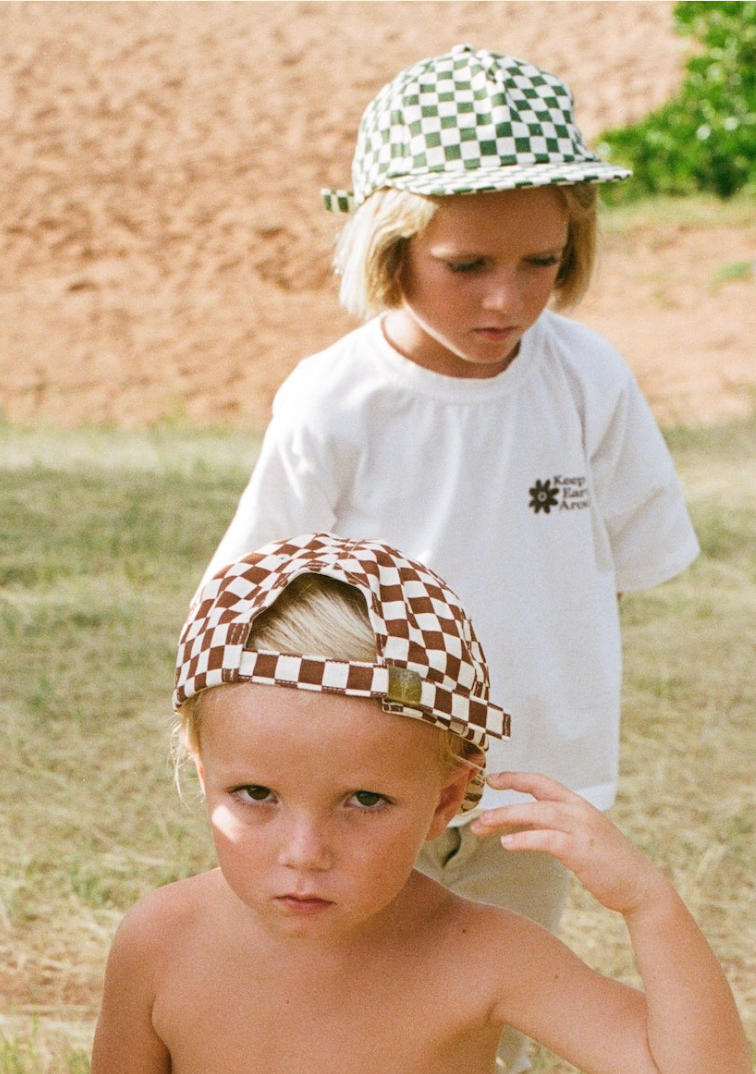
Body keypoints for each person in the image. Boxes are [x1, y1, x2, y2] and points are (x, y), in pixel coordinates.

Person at [204, 47, 700, 1072]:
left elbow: (624, 563)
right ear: (392, 246)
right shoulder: (336, 401)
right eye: (467, 265)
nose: (507, 300)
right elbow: (250, 601)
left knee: (488, 1021)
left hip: (528, 789)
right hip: (362, 787)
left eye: (542, 263)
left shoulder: (589, 381)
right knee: (336, 1007)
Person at [92, 534, 747, 1074]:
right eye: (255, 795)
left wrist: (647, 904)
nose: (304, 853)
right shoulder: (159, 941)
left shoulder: (484, 954)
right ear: (203, 773)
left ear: (446, 800)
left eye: (364, 800)